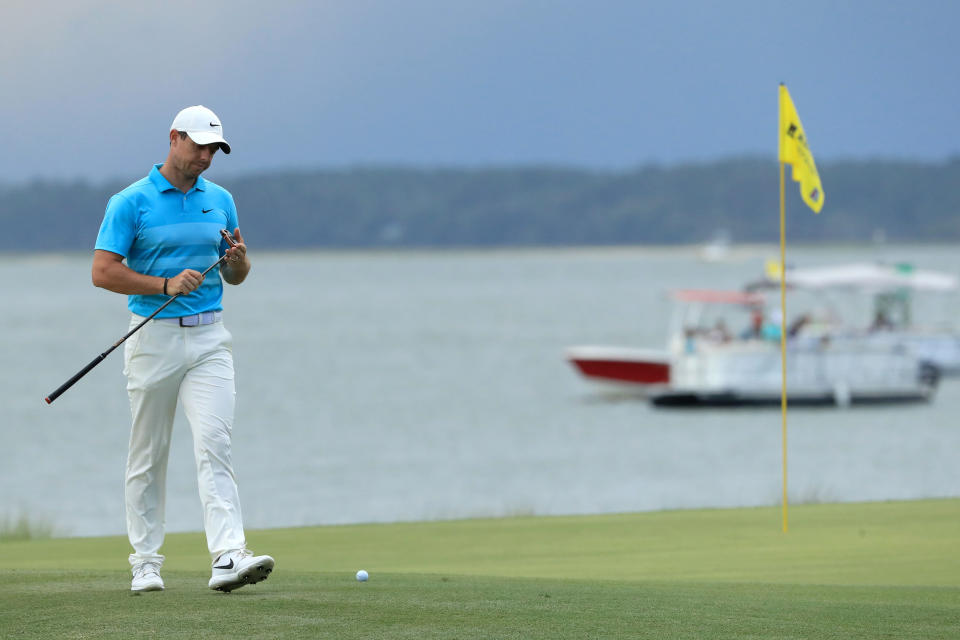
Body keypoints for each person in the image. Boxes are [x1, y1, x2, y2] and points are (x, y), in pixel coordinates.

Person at [92, 105, 274, 593]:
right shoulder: (130, 202)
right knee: (149, 453)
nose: (207, 157)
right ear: (173, 138)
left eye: (214, 149)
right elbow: (103, 271)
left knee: (215, 443)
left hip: (211, 338)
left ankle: (228, 556)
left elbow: (236, 275)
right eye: (199, 146)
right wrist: (163, 283)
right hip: (153, 339)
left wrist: (237, 262)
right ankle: (146, 562)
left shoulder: (221, 200)